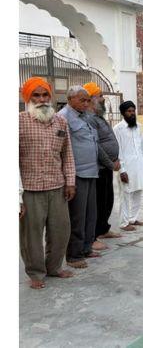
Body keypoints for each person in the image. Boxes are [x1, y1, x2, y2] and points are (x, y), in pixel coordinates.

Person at [19, 77, 75, 289]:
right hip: (30, 189)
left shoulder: (60, 122)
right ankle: (35, 273)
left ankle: (54, 267)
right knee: (31, 235)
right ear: (28, 98)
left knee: (61, 230)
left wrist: (70, 181)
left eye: (45, 95)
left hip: (57, 186)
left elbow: (67, 154)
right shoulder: (19, 121)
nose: (42, 99)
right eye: (36, 95)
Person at [58, 86, 100, 269]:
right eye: (82, 100)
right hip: (77, 174)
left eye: (88, 100)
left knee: (91, 215)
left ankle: (86, 248)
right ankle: (74, 255)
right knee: (77, 216)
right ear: (70, 99)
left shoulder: (85, 116)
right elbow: (61, 148)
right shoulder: (62, 117)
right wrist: (68, 178)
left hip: (92, 171)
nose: (86, 103)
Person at [84, 82, 122, 250]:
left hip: (108, 166)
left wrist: (116, 159)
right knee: (98, 203)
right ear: (91, 99)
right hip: (99, 167)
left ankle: (103, 229)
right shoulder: (89, 118)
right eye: (99, 96)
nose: (103, 99)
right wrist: (110, 162)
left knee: (108, 200)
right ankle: (93, 236)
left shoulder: (98, 116)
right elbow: (96, 146)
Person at [114, 101, 143, 231]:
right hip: (126, 167)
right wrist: (122, 170)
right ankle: (124, 223)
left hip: (139, 165)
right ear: (123, 113)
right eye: (129, 111)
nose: (132, 113)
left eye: (133, 111)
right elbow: (118, 151)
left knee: (138, 191)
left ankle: (133, 218)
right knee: (126, 194)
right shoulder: (118, 129)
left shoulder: (139, 126)